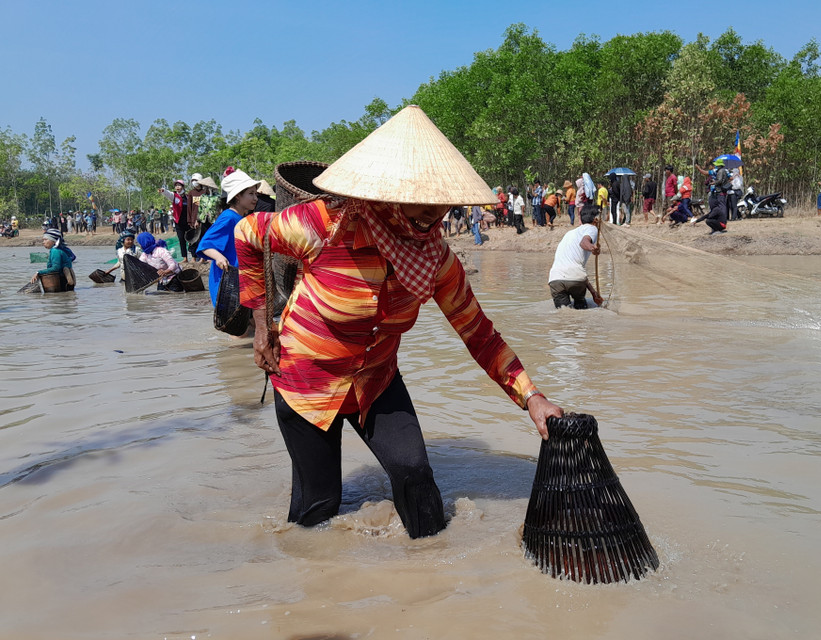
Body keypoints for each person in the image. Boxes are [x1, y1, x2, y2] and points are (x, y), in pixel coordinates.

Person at [235, 105, 563, 539]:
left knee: (416, 479)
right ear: (387, 190)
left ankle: (432, 579)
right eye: (418, 199)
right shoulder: (325, 225)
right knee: (317, 509)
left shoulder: (437, 260)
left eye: (440, 201)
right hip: (306, 379)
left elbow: (478, 334)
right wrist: (262, 328)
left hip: (375, 378)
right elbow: (248, 234)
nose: (431, 213)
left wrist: (531, 396)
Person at [197, 168, 259, 306]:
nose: (255, 198)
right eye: (251, 193)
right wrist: (219, 257)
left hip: (240, 281)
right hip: (226, 283)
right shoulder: (228, 218)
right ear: (237, 196)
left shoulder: (242, 218)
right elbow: (205, 245)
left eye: (256, 193)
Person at [547, 204, 604, 309]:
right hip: (575, 280)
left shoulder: (570, 233)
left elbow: (574, 269)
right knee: (580, 311)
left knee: (563, 314)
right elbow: (584, 242)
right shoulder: (592, 228)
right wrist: (592, 248)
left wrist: (593, 292)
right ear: (596, 220)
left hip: (555, 279)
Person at [159, 179, 191, 262]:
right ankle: (185, 258)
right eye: (176, 185)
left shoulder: (188, 197)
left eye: (179, 185)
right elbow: (168, 193)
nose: (177, 187)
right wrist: (163, 191)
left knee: (191, 239)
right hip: (178, 222)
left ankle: (194, 257)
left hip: (188, 222)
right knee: (181, 239)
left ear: (183, 187)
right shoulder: (174, 196)